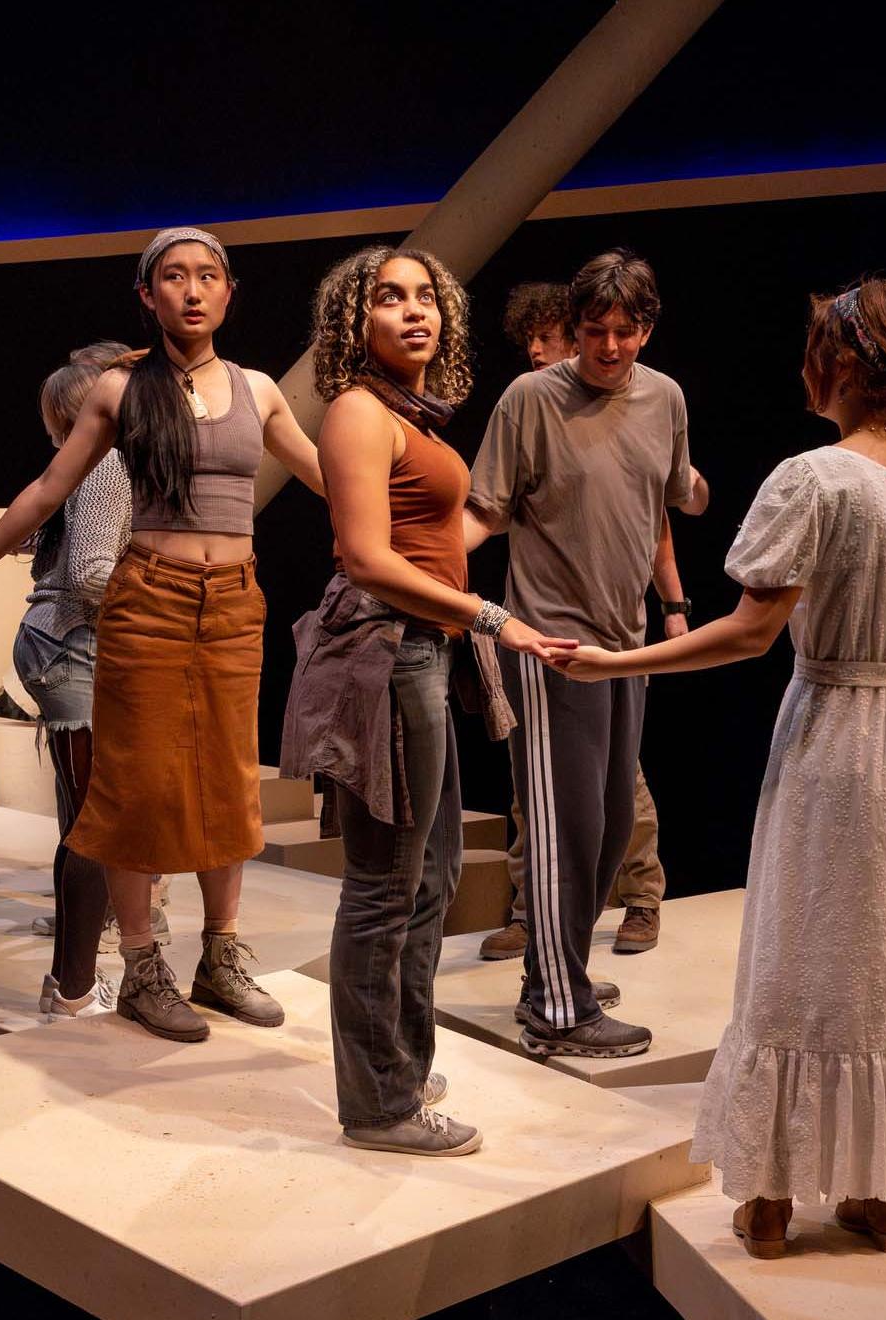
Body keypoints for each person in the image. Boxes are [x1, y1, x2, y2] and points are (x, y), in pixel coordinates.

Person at [557, 278, 886, 1256]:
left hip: (840, 735)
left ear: (839, 363)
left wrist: (617, 658)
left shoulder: (814, 479)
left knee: (808, 953)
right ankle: (885, 1195)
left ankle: (769, 1199)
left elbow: (748, 636)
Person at [0, 227, 325, 1042]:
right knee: (134, 784)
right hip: (146, 600)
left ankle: (221, 957)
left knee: (228, 777)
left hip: (231, 604)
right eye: (173, 277)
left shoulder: (260, 389)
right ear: (148, 296)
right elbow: (48, 489)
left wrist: (417, 533)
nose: (191, 290)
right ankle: (143, 967)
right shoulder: (120, 390)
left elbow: (332, 479)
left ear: (228, 292)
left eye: (207, 276)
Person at [282, 247, 572, 1157]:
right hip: (383, 655)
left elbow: (439, 533)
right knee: (382, 887)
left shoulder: (415, 414)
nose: (416, 313)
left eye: (427, 299)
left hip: (423, 655)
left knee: (433, 876)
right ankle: (377, 1104)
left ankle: (398, 1058)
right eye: (390, 299)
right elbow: (369, 559)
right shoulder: (360, 412)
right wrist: (494, 617)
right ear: (352, 323)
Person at [463, 250, 694, 1058]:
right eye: (594, 332)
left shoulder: (664, 396)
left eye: (623, 333)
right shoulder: (531, 398)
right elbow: (483, 511)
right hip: (551, 641)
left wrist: (673, 605)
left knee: (609, 828)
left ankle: (557, 976)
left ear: (646, 329)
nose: (606, 348)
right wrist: (425, 580)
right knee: (566, 827)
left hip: (626, 645)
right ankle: (558, 1006)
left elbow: (670, 495)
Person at [13, 341, 144, 1020]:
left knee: (84, 825)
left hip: (71, 646)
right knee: (95, 827)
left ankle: (70, 980)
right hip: (75, 649)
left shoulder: (92, 467)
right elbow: (93, 574)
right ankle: (71, 989)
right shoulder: (109, 466)